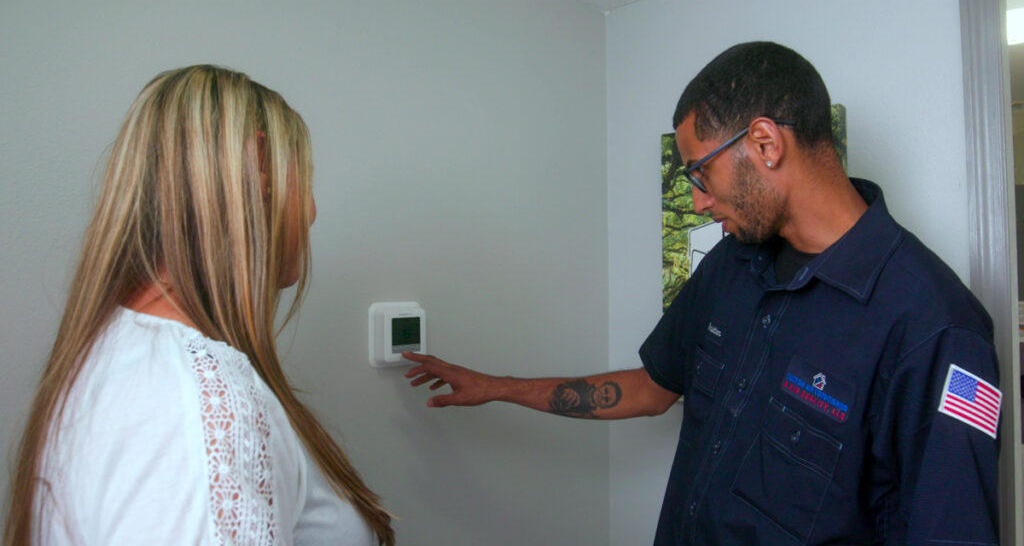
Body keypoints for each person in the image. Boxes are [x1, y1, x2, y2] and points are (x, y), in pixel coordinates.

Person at [405, 41, 1002, 545]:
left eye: (700, 173)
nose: (696, 200)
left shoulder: (935, 327)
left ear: (765, 144)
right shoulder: (733, 263)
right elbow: (651, 388)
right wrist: (497, 387)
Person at [4, 65, 394, 545]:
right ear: (259, 166)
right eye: (304, 181)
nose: (312, 211)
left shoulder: (122, 353)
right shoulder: (193, 405)